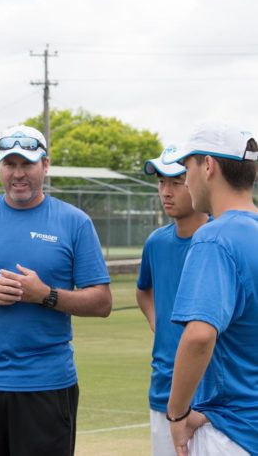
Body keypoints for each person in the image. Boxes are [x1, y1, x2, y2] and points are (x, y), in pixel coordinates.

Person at [0, 125, 112, 456]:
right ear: (0, 168)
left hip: (47, 385)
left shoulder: (74, 222)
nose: (18, 174)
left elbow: (102, 302)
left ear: (45, 166)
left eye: (27, 164)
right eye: (10, 164)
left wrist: (45, 295)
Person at [162, 122, 258, 456]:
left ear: (208, 166)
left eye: (187, 167)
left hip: (232, 435)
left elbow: (200, 336)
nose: (186, 179)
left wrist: (177, 414)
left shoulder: (215, 237)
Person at [136, 150, 208, 456]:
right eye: (162, 183)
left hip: (214, 396)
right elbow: (143, 290)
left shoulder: (221, 238)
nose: (166, 192)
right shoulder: (156, 242)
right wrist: (157, 321)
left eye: (177, 182)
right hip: (164, 388)